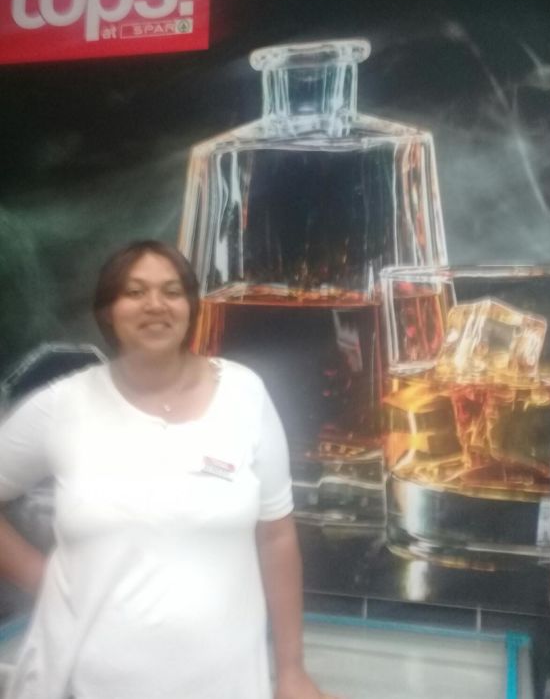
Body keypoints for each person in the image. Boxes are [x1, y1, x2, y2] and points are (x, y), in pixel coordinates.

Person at [0, 240, 337, 699]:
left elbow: (276, 537)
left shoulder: (244, 394)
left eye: (171, 291)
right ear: (107, 311)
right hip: (80, 683)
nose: (155, 305)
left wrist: (292, 671)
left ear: (191, 307)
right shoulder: (64, 405)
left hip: (226, 685)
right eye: (135, 292)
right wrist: (47, 582)